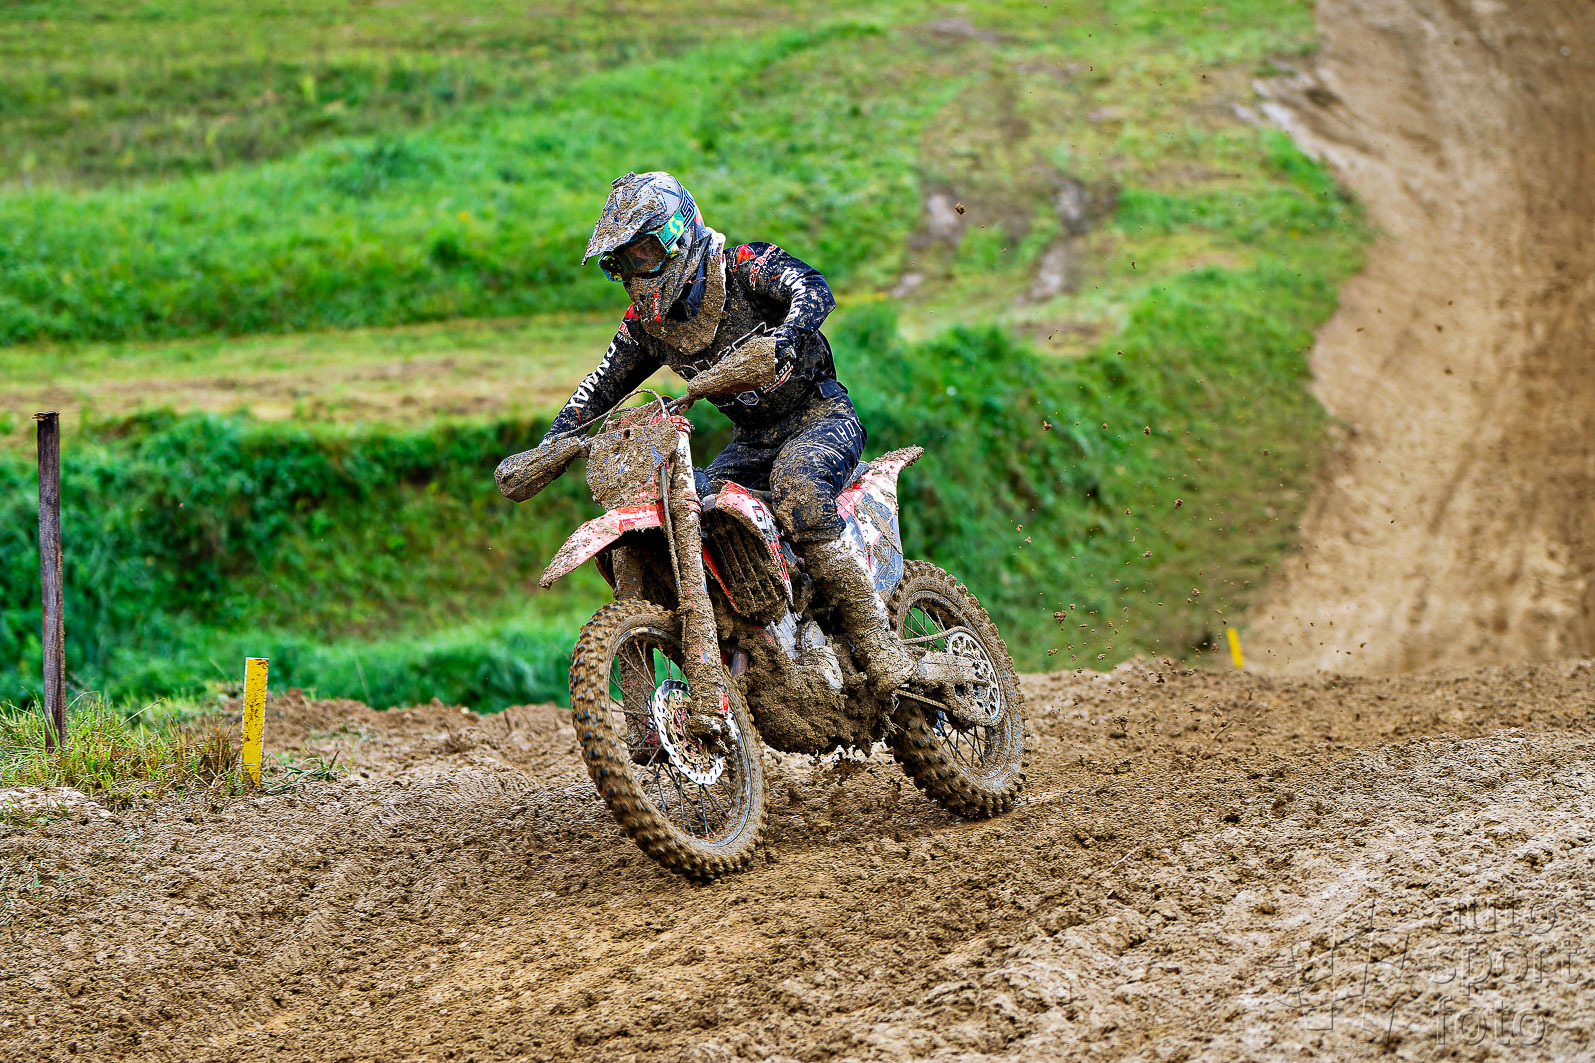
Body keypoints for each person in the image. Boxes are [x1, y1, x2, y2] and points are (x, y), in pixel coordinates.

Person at [540, 170, 916, 695]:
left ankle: (880, 646)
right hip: (753, 443)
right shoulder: (647, 324)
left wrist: (786, 337)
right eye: (621, 263)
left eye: (643, 253)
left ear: (678, 234)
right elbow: (598, 388)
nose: (635, 272)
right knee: (693, 510)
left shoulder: (743, 266)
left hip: (820, 416)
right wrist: (549, 446)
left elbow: (812, 288)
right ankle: (753, 646)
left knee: (799, 489)